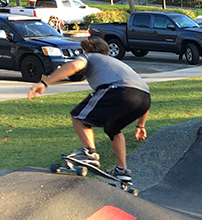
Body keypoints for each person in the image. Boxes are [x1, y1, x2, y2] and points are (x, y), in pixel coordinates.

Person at [27, 37, 150, 182]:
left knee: (78, 116)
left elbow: (74, 65)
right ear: (107, 52)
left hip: (118, 91)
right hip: (144, 98)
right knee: (112, 128)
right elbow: (142, 92)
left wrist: (45, 83)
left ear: (86, 50)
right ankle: (121, 170)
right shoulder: (117, 62)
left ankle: (89, 153)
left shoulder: (89, 56)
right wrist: (140, 125)